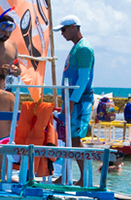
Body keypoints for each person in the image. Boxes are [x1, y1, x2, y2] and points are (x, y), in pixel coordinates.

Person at [56, 14, 94, 185]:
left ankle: (85, 177)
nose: (62, 34)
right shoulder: (76, 47)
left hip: (79, 100)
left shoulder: (84, 48)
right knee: (67, 137)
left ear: (74, 27)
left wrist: (71, 102)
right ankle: (65, 174)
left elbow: (84, 78)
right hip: (71, 99)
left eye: (63, 30)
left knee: (75, 138)